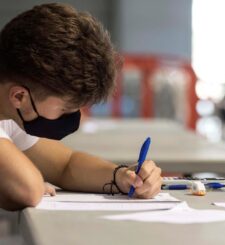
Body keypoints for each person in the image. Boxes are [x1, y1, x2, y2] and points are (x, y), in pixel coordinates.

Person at [0, 3, 162, 211]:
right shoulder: (15, 107)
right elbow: (27, 189)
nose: (74, 116)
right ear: (20, 96)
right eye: (65, 108)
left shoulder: (12, 112)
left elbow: (65, 165)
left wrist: (123, 177)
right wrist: (28, 183)